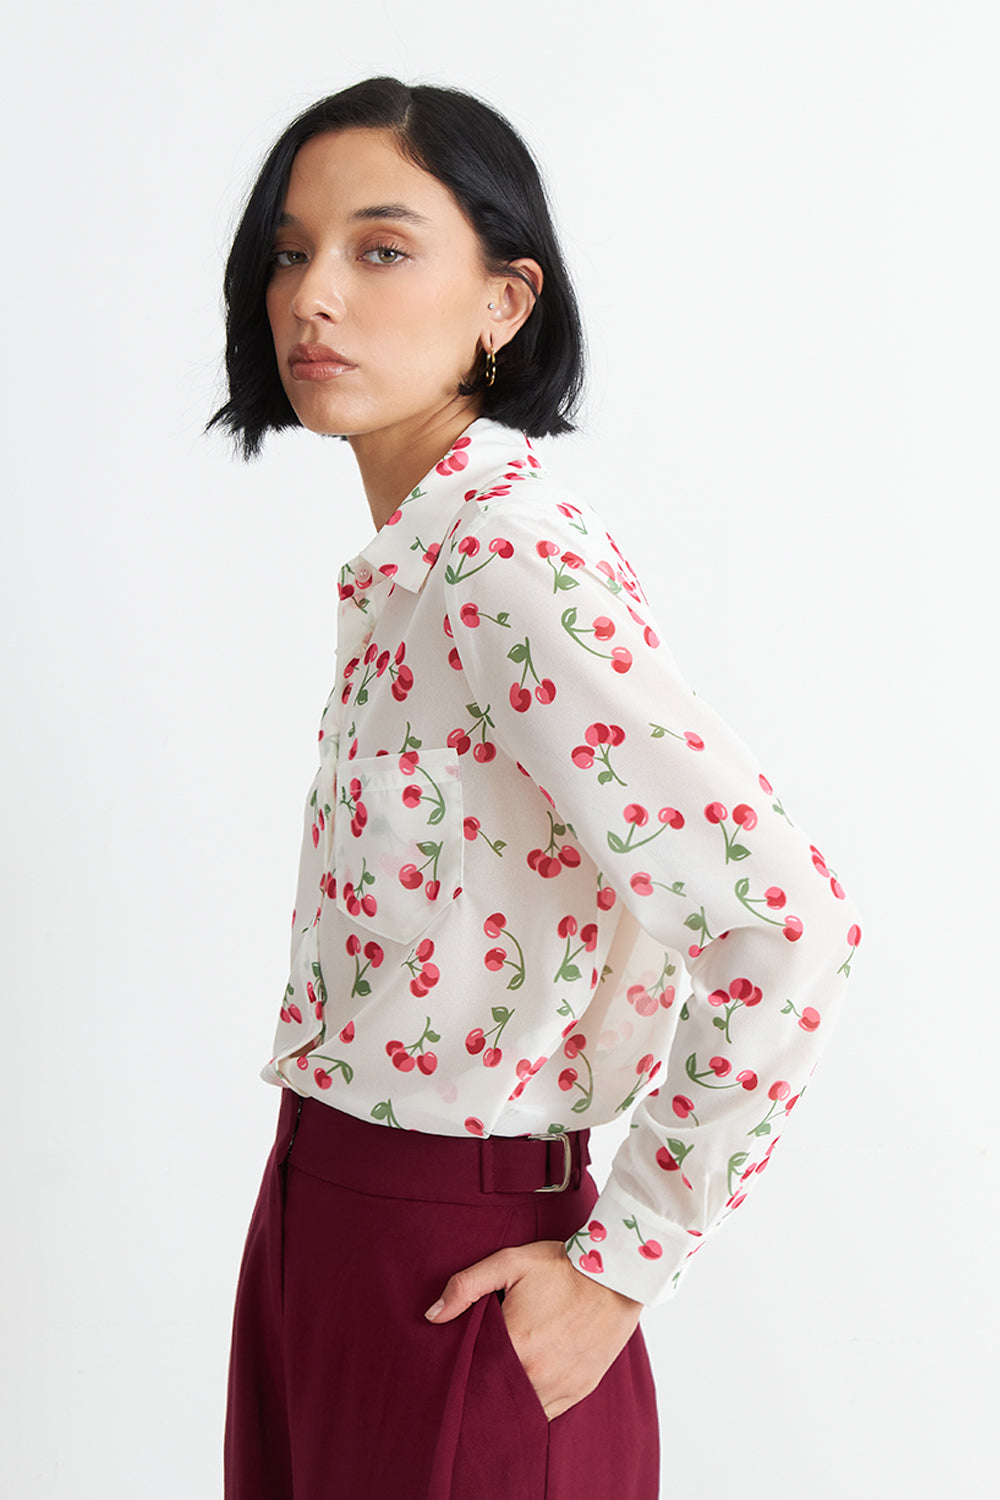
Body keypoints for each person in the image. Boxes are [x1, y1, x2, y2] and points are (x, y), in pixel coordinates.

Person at [208, 76, 862, 1500]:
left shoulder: (502, 561)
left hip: (457, 1271)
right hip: (320, 1232)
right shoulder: (409, 567)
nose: (314, 295)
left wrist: (624, 1264)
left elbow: (786, 921)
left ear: (504, 302)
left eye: (382, 249)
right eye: (289, 251)